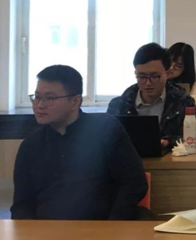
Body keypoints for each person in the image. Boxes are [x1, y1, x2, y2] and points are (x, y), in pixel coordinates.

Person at [11, 65, 147, 220]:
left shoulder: (106, 130)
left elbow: (134, 183)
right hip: (47, 227)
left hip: (101, 226)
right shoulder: (30, 145)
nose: (40, 105)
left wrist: (113, 225)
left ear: (75, 101)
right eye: (37, 97)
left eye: (50, 98)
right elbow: (21, 204)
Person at [107, 42, 196, 151]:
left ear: (167, 74)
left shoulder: (183, 102)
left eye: (154, 76)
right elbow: (106, 140)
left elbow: (195, 139)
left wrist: (169, 142)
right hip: (129, 160)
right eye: (142, 77)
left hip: (169, 160)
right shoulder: (119, 104)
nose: (148, 83)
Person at [167, 42, 196, 111]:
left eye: (178, 66)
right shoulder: (156, 81)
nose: (171, 68)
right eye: (169, 62)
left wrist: (184, 99)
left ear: (186, 68)